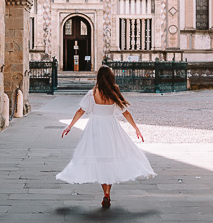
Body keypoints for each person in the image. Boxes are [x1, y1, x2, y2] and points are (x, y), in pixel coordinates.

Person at [57, 64, 155, 208]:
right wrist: (136, 128)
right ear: (111, 77)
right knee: (111, 157)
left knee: (100, 159)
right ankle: (108, 193)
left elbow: (81, 110)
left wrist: (70, 126)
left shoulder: (93, 92)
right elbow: (125, 112)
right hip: (111, 127)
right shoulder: (114, 91)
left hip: (96, 128)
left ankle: (106, 194)